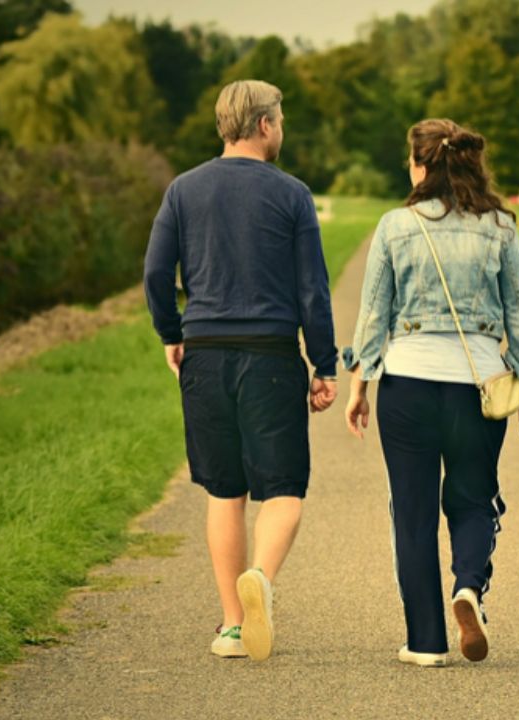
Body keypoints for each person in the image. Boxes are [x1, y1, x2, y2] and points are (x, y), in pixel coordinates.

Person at [341, 118, 519, 667]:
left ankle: (426, 642)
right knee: (474, 497)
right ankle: (469, 587)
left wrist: (359, 387)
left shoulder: (394, 226)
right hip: (479, 387)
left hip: (408, 384)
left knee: (411, 513)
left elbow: (373, 315)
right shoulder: (501, 227)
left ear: (420, 165)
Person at [143, 79, 338, 662]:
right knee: (282, 491)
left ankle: (232, 624)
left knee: (224, 492)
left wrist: (171, 334)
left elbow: (156, 273)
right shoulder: (292, 195)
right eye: (280, 120)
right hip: (271, 357)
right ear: (262, 126)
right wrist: (324, 364)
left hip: (204, 353)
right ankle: (261, 577)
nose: (282, 129)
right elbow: (313, 290)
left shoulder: (183, 190)